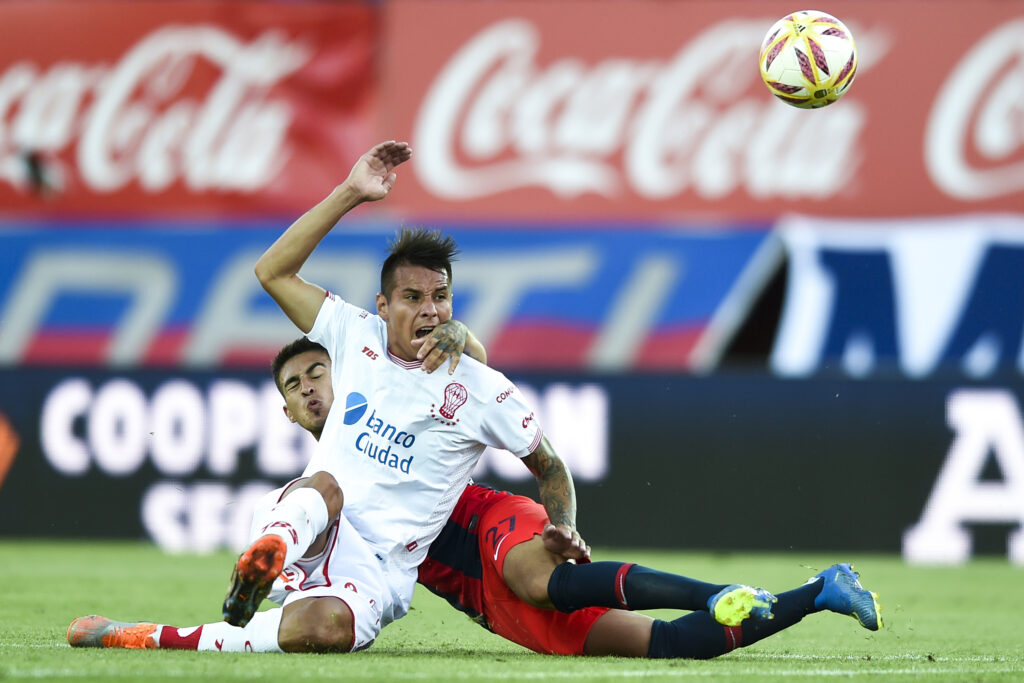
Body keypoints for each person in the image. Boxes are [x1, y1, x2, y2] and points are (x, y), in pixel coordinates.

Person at [68, 334, 883, 656]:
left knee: (539, 574)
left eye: (320, 370)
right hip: (465, 590)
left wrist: (465, 340)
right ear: (284, 407)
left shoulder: (373, 386)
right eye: (296, 384)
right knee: (669, 648)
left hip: (484, 524)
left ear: (342, 368)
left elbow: (457, 386)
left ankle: (718, 588)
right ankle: (818, 591)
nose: (313, 387)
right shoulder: (333, 457)